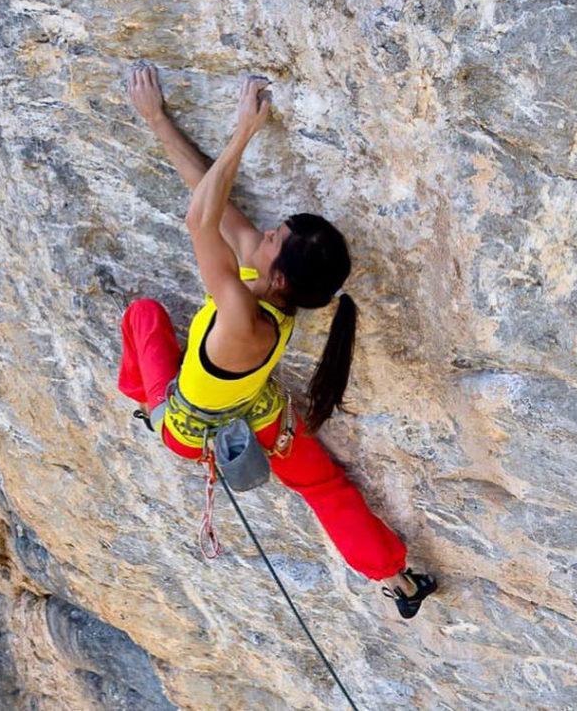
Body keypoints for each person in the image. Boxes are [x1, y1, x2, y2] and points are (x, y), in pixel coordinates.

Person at [118, 65, 437, 618]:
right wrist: (158, 122)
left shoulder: (241, 311)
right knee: (326, 488)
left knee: (143, 315)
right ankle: (397, 579)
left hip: (190, 429)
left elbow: (202, 219)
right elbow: (210, 198)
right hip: (260, 413)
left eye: (273, 238)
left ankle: (150, 408)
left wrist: (243, 132)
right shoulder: (274, 296)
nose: (263, 233)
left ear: (282, 274)